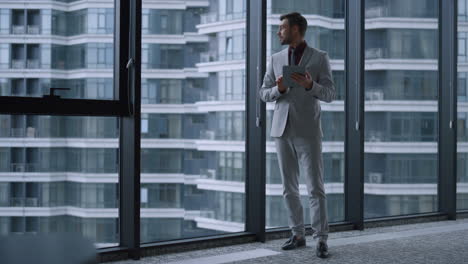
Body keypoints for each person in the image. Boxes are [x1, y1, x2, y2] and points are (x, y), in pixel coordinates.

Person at [258, 12, 335, 258]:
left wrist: (310, 85)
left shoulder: (320, 58)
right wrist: (278, 89)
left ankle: (321, 239)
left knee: (315, 187)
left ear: (296, 29)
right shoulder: (276, 58)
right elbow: (263, 93)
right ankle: (297, 234)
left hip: (308, 131)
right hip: (282, 130)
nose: (279, 32)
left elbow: (331, 94)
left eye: (282, 28)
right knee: (288, 187)